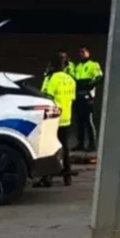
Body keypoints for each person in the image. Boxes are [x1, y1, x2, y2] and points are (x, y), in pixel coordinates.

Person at [36, 53, 76, 187]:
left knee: (49, 147)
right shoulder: (70, 79)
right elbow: (72, 98)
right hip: (67, 117)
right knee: (65, 146)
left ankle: (47, 178)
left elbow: (46, 96)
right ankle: (67, 176)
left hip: (53, 118)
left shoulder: (52, 78)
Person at [71, 46, 103, 152]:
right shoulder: (78, 66)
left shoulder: (93, 65)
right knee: (79, 121)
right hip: (78, 95)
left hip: (87, 95)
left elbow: (99, 77)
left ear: (88, 53)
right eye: (80, 52)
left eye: (83, 52)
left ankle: (92, 144)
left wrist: (90, 85)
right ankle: (80, 143)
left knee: (88, 120)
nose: (81, 54)